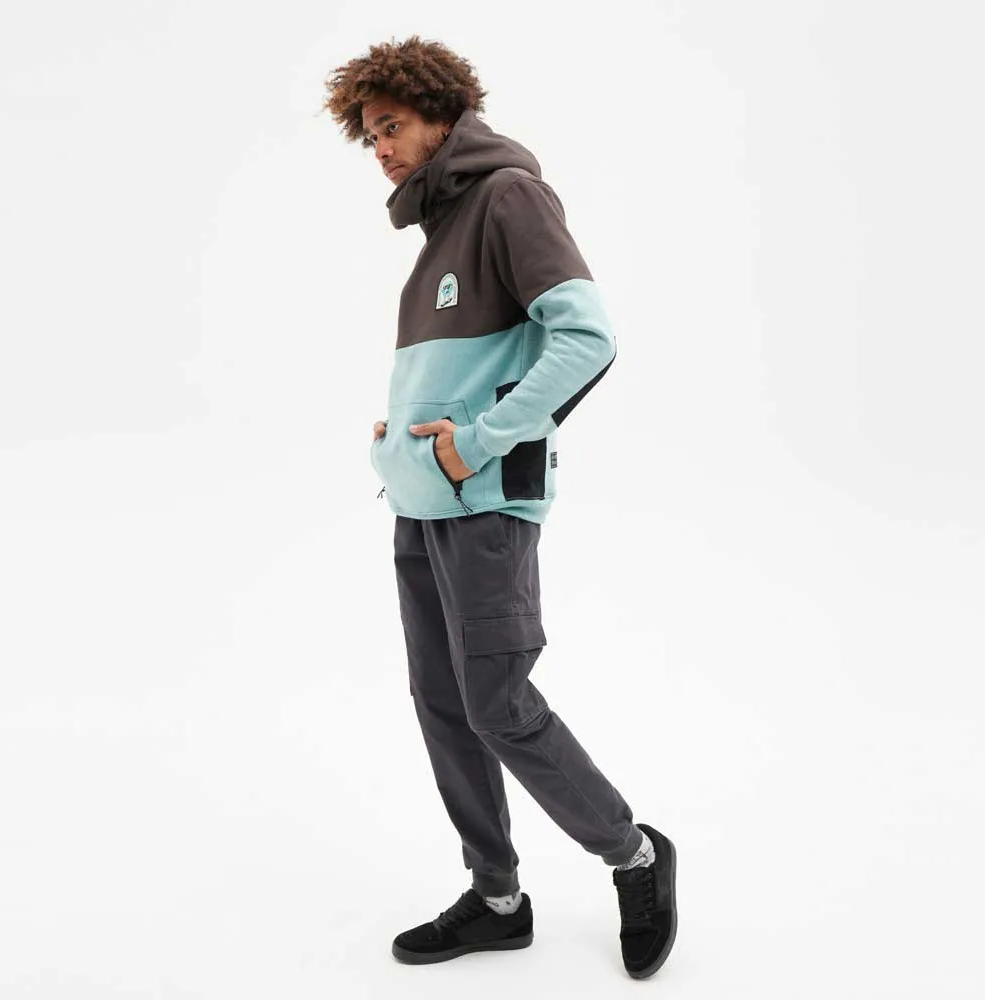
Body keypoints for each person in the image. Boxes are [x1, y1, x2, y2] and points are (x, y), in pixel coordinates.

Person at [322, 35, 677, 980]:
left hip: (483, 506)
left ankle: (634, 855)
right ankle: (496, 897)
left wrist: (474, 440)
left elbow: (587, 339)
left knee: (499, 705)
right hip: (422, 506)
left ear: (442, 115)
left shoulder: (508, 197)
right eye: (370, 137)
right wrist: (401, 438)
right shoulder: (438, 230)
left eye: (391, 126)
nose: (381, 149)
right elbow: (456, 368)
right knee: (444, 704)